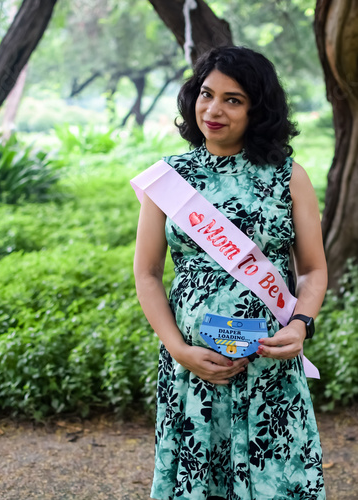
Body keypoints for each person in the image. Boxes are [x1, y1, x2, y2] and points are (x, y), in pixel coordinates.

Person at [133, 46, 327, 500]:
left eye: (233, 99)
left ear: (257, 108)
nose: (213, 110)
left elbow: (314, 270)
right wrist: (178, 350)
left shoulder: (287, 176)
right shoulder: (169, 179)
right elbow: (147, 274)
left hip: (269, 368)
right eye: (206, 94)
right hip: (195, 370)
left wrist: (301, 325)